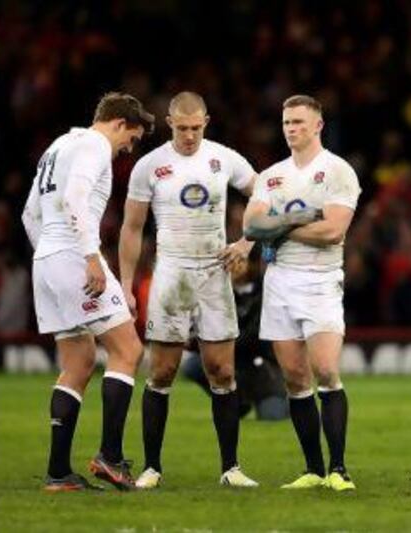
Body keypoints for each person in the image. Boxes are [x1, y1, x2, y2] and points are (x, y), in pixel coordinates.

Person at [119, 92, 267, 489]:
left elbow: (264, 196)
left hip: (214, 274)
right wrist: (125, 284)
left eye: (196, 128)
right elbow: (132, 228)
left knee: (222, 370)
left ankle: (231, 468)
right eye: (182, 128)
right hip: (171, 272)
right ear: (169, 123)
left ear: (207, 121)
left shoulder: (224, 158)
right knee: (162, 370)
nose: (189, 135)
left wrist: (246, 244)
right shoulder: (150, 166)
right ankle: (152, 467)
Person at [21, 92, 155, 491]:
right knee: (128, 350)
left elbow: (30, 213)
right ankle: (110, 457)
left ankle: (59, 472)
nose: (127, 149)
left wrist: (49, 257)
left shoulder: (58, 146)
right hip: (74, 258)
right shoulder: (94, 145)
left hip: (46, 258)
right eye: (130, 139)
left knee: (78, 361)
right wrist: (88, 257)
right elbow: (75, 198)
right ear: (117, 123)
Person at [243, 94, 361, 491]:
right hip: (279, 282)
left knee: (326, 370)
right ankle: (313, 469)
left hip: (320, 281)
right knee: (295, 378)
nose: (291, 128)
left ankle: (339, 469)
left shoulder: (337, 171)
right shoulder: (270, 175)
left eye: (298, 122)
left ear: (318, 126)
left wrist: (278, 225)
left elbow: (333, 232)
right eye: (286, 123)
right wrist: (299, 219)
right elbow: (251, 228)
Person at [180, 245, 289, 421]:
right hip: (234, 364)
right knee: (193, 365)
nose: (233, 265)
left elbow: (253, 338)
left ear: (252, 265)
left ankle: (284, 402)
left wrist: (204, 345)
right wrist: (193, 339)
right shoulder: (219, 293)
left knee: (272, 417)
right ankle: (236, 402)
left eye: (240, 260)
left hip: (264, 369)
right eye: (229, 260)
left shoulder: (268, 292)